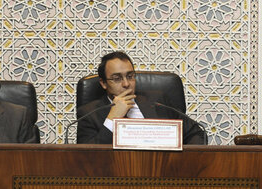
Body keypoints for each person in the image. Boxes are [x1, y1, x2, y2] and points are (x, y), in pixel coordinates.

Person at [77, 51, 206, 144]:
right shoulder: (88, 113)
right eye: (117, 78)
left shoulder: (158, 102)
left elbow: (196, 134)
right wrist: (112, 119)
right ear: (103, 83)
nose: (126, 84)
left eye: (130, 76)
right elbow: (87, 157)